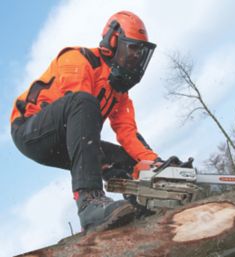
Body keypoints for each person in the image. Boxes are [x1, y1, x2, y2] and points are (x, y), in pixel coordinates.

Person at [10, 10, 160, 232]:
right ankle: (89, 201)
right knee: (83, 102)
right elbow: (81, 117)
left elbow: (128, 133)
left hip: (71, 136)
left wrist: (157, 165)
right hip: (30, 131)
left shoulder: (119, 92)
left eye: (140, 52)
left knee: (126, 158)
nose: (136, 56)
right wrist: (102, 164)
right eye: (133, 48)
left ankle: (143, 204)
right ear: (113, 40)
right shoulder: (79, 60)